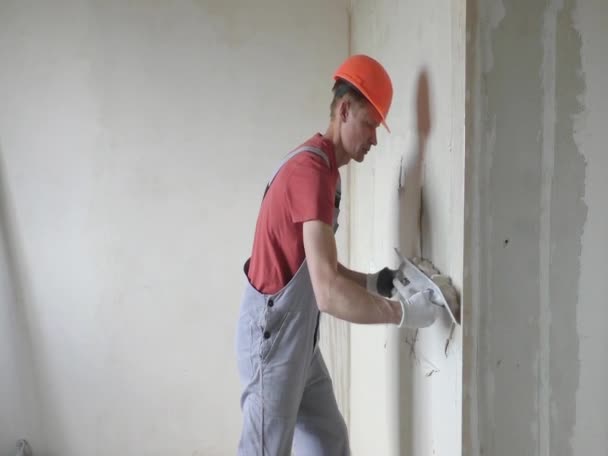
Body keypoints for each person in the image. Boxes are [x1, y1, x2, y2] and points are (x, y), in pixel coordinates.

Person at [235, 54, 438, 455]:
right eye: (370, 125)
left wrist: (373, 281)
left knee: (328, 442)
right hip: (272, 339)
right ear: (345, 110)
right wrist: (403, 313)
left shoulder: (327, 171)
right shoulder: (310, 173)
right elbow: (326, 292)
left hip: (299, 340)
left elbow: (317, 267)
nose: (375, 140)